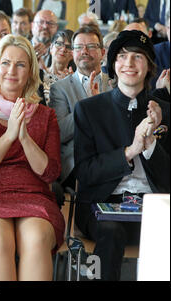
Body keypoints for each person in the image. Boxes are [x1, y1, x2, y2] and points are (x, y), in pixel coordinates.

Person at [0, 34, 64, 281]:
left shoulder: (46, 115)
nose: (12, 71)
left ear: (30, 72)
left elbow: (50, 172)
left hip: (34, 197)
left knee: (36, 239)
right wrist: (9, 135)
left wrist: (25, 136)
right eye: (5, 63)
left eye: (20, 64)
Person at [73, 30, 170, 281]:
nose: (129, 63)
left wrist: (149, 147)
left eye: (138, 57)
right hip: (102, 206)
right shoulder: (88, 110)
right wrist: (130, 151)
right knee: (111, 231)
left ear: (149, 66)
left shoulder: (166, 112)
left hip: (155, 206)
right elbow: (85, 172)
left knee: (163, 227)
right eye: (123, 56)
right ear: (113, 64)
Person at [49, 25, 111, 190]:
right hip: (76, 162)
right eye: (78, 47)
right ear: (73, 53)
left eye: (91, 46)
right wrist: (88, 105)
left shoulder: (115, 84)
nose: (84, 51)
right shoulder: (60, 88)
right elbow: (60, 132)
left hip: (110, 158)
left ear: (102, 53)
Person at [42, 30, 74, 104]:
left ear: (73, 54)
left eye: (69, 47)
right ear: (51, 48)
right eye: (59, 44)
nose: (63, 49)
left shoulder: (74, 80)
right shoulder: (39, 74)